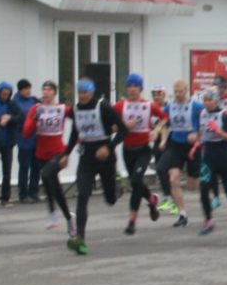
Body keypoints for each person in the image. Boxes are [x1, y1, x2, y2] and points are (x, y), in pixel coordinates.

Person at [64, 78, 127, 255]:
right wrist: (65, 155)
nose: (82, 96)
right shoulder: (76, 109)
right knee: (82, 194)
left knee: (110, 200)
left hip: (105, 155)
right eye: (79, 93)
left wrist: (109, 147)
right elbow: (74, 134)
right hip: (87, 156)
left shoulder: (104, 107)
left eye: (85, 92)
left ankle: (116, 185)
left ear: (91, 93)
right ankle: (81, 238)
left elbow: (123, 129)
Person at [22, 81, 73, 233]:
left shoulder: (62, 109)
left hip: (58, 151)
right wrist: (34, 119)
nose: (46, 92)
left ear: (54, 93)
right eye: (44, 89)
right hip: (41, 153)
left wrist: (71, 148)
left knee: (46, 174)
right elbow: (26, 133)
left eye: (49, 90)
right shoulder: (35, 109)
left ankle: (56, 214)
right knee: (52, 184)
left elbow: (79, 122)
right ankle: (67, 217)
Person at [117, 73, 164, 236]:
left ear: (140, 88)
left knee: (136, 181)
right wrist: (123, 126)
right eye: (129, 86)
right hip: (127, 149)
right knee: (135, 183)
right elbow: (111, 125)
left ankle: (132, 221)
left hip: (143, 149)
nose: (132, 90)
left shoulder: (148, 105)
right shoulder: (121, 105)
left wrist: (156, 131)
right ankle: (151, 199)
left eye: (135, 86)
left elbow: (165, 118)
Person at [193, 87, 227, 240]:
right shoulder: (202, 114)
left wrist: (219, 132)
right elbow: (200, 134)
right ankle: (208, 220)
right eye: (205, 100)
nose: (207, 103)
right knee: (203, 188)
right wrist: (195, 142)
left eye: (210, 100)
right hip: (209, 154)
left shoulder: (225, 115)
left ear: (216, 100)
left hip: (224, 154)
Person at [155, 80, 195, 228]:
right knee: (174, 179)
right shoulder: (170, 107)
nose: (178, 95)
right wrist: (163, 140)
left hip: (191, 146)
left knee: (192, 185)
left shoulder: (195, 106)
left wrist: (196, 136)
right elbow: (165, 125)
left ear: (186, 91)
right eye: (175, 92)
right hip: (176, 145)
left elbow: (203, 123)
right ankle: (182, 214)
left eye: (180, 91)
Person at [12, 80, 40, 203]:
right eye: (25, 89)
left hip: (36, 138)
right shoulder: (15, 102)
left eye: (29, 88)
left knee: (36, 166)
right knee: (24, 167)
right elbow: (18, 118)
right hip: (23, 139)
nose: (28, 91)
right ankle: (23, 193)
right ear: (20, 90)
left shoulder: (34, 100)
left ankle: (34, 191)